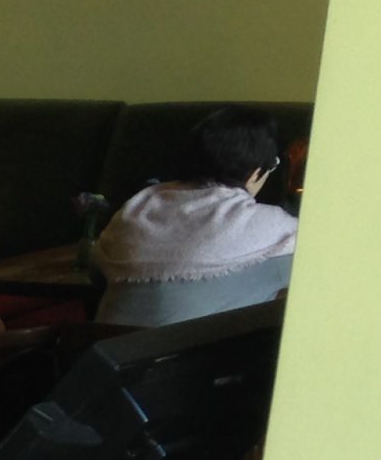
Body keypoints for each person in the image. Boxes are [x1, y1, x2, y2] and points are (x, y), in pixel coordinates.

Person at [94, 105, 298, 327]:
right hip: (187, 348)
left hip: (103, 345)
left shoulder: (138, 207)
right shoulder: (269, 229)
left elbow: (97, 271)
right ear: (255, 172)